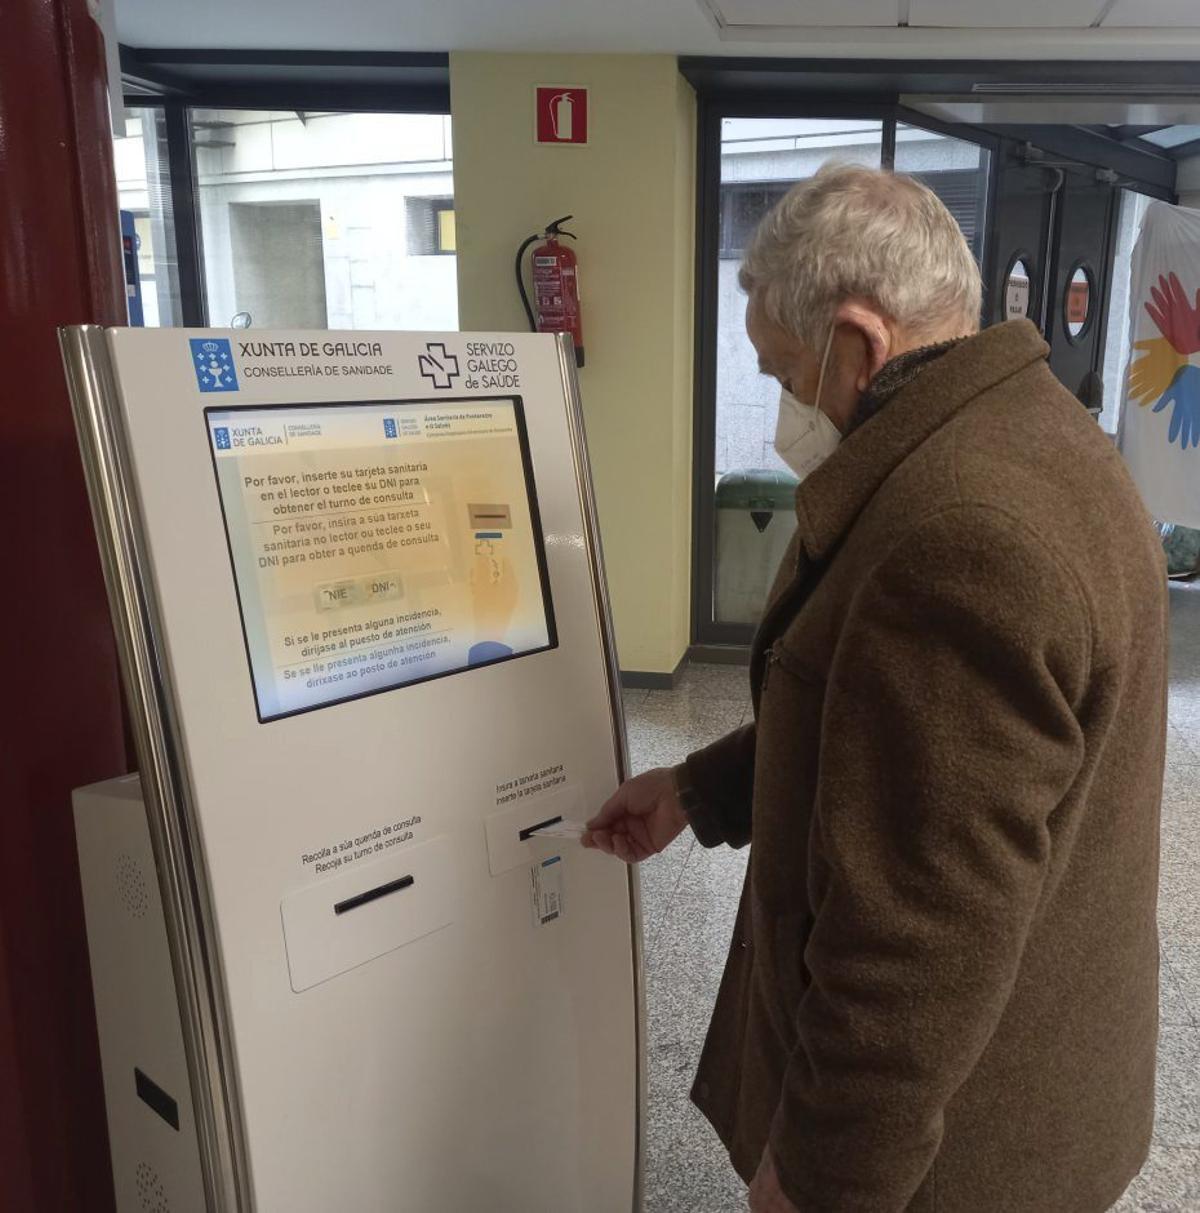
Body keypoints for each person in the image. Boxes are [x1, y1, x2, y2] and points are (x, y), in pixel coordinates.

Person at [584, 164, 1168, 1212]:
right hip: (1054, 1065)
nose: (783, 404)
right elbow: (881, 729)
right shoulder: (1040, 434)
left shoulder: (959, 535)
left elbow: (915, 946)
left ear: (858, 342)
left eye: (781, 370)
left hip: (964, 1148)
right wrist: (694, 790)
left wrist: (819, 1181)